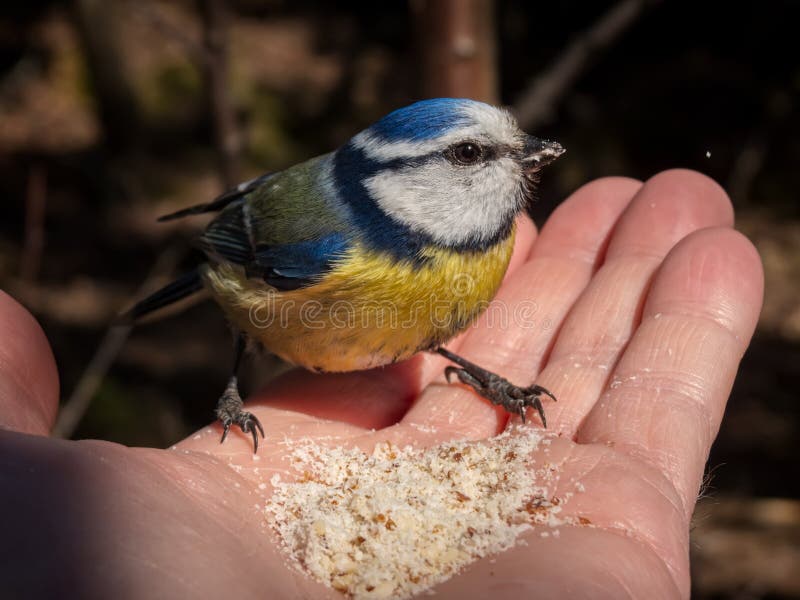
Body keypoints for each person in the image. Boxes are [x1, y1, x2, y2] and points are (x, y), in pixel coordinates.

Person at [0, 170, 763, 599]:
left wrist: (492, 381)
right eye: (472, 156)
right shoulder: (327, 241)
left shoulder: (474, 252)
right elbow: (231, 240)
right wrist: (232, 394)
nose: (514, 166)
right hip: (257, 277)